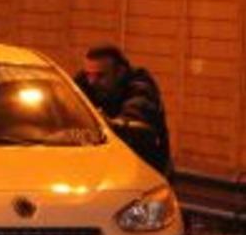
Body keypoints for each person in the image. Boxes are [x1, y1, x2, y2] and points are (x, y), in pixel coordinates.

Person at [73, 43, 172, 177]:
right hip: (102, 169)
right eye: (89, 75)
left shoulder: (140, 84)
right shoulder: (85, 81)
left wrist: (112, 124)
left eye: (100, 76)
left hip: (145, 168)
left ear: (120, 72)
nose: (92, 82)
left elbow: (137, 115)